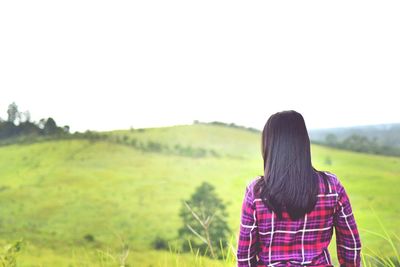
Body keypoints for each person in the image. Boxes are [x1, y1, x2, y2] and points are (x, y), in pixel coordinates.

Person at [236, 110, 361, 267]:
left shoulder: (256, 192)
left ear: (270, 146)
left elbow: (244, 255)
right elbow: (351, 246)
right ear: (303, 143)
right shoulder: (332, 186)